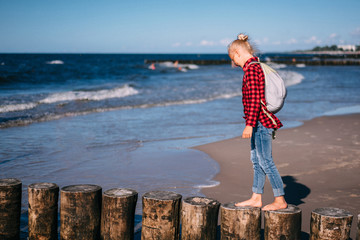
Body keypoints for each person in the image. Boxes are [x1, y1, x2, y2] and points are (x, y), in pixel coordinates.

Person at [228, 33, 287, 211]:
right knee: (256, 160)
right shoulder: (254, 65)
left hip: (261, 122)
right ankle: (256, 197)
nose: (233, 63)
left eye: (233, 58)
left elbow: (254, 100)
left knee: (266, 160)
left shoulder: (252, 70)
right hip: (258, 121)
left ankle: (280, 199)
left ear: (238, 53)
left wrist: (249, 124)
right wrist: (241, 39)